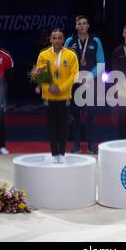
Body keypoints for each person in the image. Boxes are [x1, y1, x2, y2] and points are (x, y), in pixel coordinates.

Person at [36, 29, 78, 163]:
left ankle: (62, 154)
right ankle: (54, 154)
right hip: (49, 96)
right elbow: (39, 74)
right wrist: (49, 87)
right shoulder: (43, 55)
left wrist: (61, 88)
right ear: (50, 40)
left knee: (64, 126)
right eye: (54, 38)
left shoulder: (71, 55)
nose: (57, 40)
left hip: (64, 96)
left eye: (60, 38)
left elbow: (74, 75)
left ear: (63, 39)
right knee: (52, 126)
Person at [65, 15, 105, 154]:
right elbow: (65, 63)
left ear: (88, 26)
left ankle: (91, 144)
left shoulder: (95, 41)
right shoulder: (70, 41)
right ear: (76, 26)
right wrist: (74, 77)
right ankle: (76, 144)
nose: (82, 26)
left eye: (84, 23)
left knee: (91, 114)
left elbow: (101, 63)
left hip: (91, 82)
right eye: (79, 24)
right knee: (75, 115)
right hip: (75, 83)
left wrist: (89, 75)